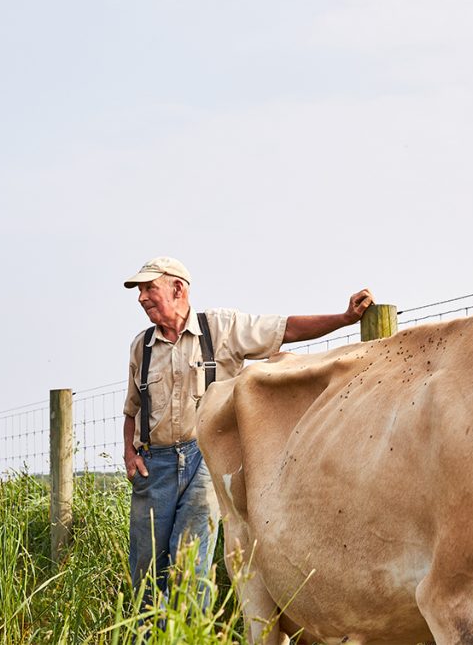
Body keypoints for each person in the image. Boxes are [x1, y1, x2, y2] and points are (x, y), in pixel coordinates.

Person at [121, 256, 374, 606]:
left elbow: (285, 329)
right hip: (155, 464)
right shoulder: (141, 345)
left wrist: (344, 319)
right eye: (140, 291)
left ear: (177, 288)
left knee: (188, 565)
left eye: (149, 288)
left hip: (205, 461)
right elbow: (132, 408)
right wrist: (129, 454)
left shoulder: (221, 329)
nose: (141, 298)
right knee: (146, 567)